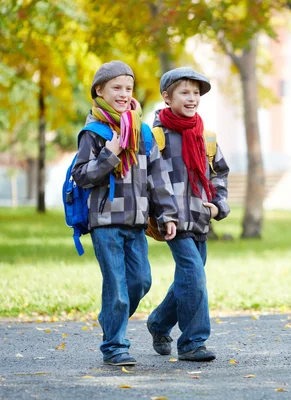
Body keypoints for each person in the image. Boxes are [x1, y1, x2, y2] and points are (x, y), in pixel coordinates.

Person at [71, 60, 178, 366]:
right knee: (117, 287)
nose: (123, 93)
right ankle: (115, 346)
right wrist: (111, 153)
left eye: (127, 88)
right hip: (105, 222)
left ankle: (109, 319)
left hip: (136, 223)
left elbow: (158, 178)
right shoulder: (93, 132)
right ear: (100, 91)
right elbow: (82, 176)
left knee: (141, 281)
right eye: (116, 87)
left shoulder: (143, 132)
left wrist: (166, 214)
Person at [146, 67, 230, 362]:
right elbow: (153, 179)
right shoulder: (155, 136)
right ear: (167, 97)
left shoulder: (205, 135)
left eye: (196, 92)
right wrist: (165, 214)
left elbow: (219, 172)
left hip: (200, 217)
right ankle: (193, 342)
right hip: (172, 220)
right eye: (184, 92)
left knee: (188, 278)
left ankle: (158, 322)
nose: (192, 98)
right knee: (194, 275)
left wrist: (219, 205)